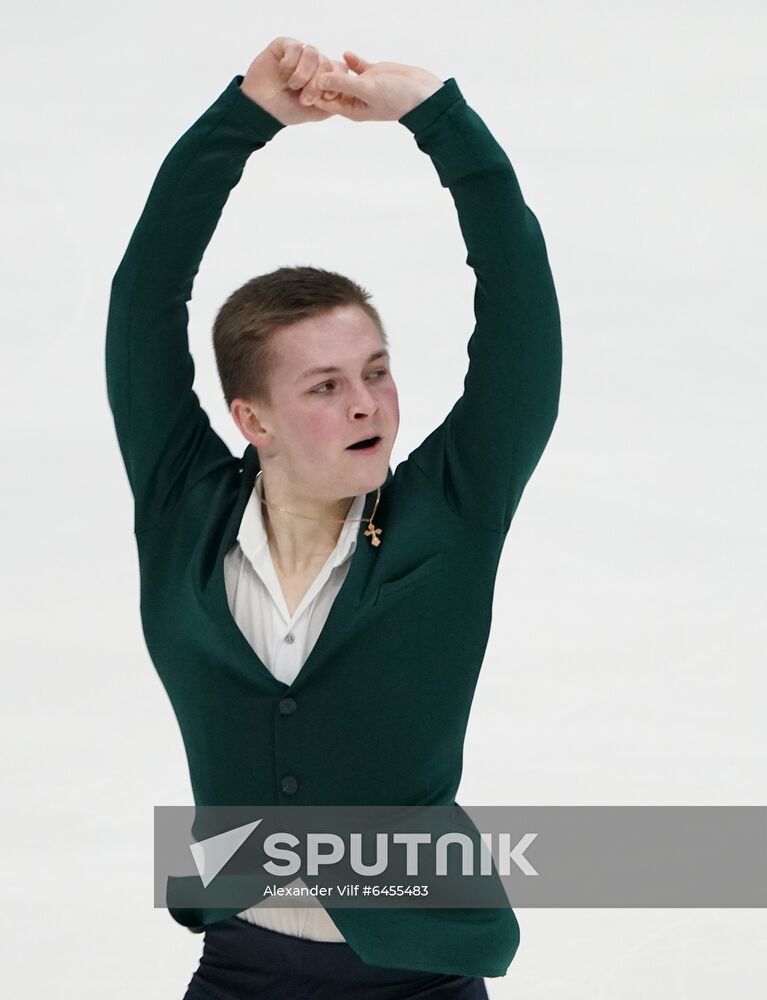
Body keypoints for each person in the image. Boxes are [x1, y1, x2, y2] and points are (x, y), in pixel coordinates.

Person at [105, 35, 561, 1000]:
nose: (367, 405)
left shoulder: (450, 512)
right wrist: (239, 121)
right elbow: (143, 299)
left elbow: (520, 323)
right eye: (324, 386)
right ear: (252, 418)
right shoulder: (185, 513)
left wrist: (439, 120)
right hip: (239, 966)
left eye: (376, 372)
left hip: (420, 975)